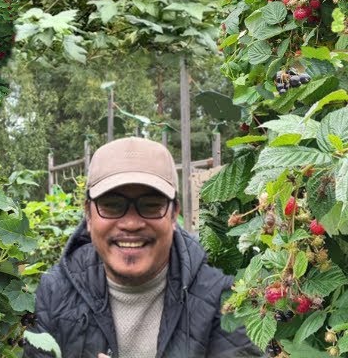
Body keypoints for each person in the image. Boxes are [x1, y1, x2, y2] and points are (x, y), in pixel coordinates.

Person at [26, 137, 260, 358]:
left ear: (173, 214)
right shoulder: (55, 293)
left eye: (150, 205)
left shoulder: (220, 295)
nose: (131, 223)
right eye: (112, 205)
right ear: (88, 215)